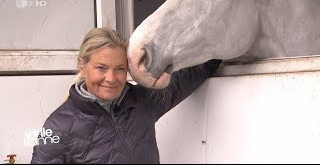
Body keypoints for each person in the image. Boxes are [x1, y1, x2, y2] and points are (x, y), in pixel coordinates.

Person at [31, 27, 222, 164]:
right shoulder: (57, 126)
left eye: (120, 69)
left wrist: (220, 47)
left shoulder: (142, 101)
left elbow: (185, 78)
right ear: (82, 65)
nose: (111, 78)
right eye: (101, 68)